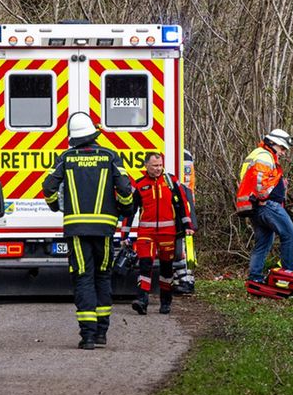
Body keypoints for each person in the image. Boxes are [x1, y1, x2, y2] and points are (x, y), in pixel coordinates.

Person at [42, 111, 135, 349]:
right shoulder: (110, 156)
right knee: (103, 276)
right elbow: (125, 190)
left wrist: (55, 206)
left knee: (83, 278)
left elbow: (49, 187)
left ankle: (88, 336)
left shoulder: (66, 158)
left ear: (73, 136)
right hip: (104, 230)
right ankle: (102, 332)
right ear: (93, 134)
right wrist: (125, 210)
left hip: (76, 230)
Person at [123, 152, 194, 315]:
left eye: (160, 165)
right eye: (155, 165)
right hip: (146, 233)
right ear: (146, 166)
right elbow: (130, 211)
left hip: (168, 233)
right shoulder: (139, 185)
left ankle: (165, 301)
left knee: (167, 269)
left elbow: (182, 204)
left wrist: (187, 225)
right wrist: (124, 235)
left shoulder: (171, 181)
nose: (158, 168)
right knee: (145, 265)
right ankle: (142, 300)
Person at [235, 128, 293, 283]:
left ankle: (255, 278)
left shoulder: (257, 154)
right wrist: (262, 196)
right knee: (290, 235)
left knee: (263, 243)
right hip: (266, 205)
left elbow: (246, 178)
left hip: (256, 207)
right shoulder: (265, 156)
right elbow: (259, 181)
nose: (283, 152)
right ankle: (287, 277)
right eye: (282, 148)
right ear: (273, 143)